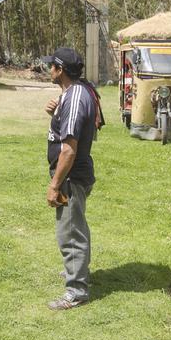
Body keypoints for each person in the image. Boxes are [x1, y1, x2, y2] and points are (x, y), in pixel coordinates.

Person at [42, 47, 103, 311]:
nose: (49, 70)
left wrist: (55, 184)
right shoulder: (73, 92)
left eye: (51, 66)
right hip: (72, 174)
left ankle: (76, 290)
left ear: (61, 70)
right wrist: (56, 111)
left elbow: (69, 149)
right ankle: (74, 271)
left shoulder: (76, 96)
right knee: (72, 227)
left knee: (70, 232)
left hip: (71, 177)